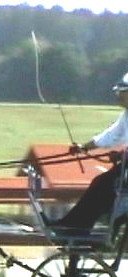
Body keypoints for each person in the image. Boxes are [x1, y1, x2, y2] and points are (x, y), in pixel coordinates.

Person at [49, 72, 128, 232]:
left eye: (121, 92)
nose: (117, 95)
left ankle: (75, 226)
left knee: (101, 185)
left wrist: (121, 155)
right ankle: (77, 226)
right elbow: (109, 136)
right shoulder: (126, 116)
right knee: (100, 184)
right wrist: (83, 147)